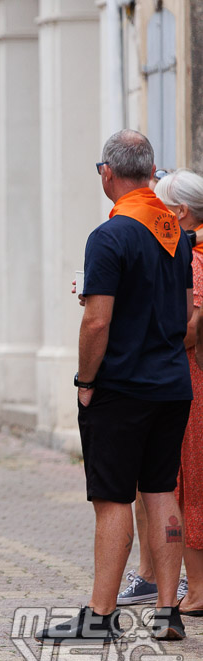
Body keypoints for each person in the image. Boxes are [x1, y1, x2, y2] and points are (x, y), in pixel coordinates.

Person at [37, 130, 190, 643]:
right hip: (172, 384)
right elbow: (185, 310)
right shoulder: (176, 232)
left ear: (108, 172)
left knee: (113, 500)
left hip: (122, 388)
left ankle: (100, 616)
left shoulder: (110, 237)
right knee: (162, 492)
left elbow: (96, 323)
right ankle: (168, 612)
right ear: (149, 171)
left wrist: (85, 381)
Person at [154, 169, 203, 616]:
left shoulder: (192, 254)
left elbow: (191, 325)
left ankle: (198, 590)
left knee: (190, 480)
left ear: (181, 213)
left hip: (193, 378)